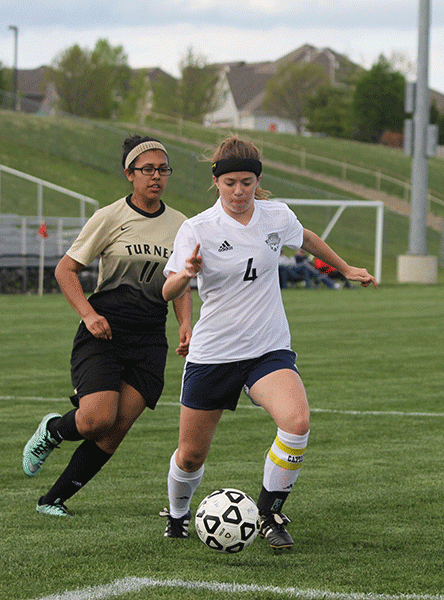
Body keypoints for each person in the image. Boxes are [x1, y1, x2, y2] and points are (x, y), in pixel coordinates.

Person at [161, 135, 377, 548]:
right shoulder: (198, 228)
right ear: (216, 182)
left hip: (267, 348)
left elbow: (306, 237)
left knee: (296, 422)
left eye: (246, 182)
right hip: (215, 353)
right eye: (230, 183)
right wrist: (186, 273)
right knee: (190, 455)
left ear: (257, 181)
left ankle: (268, 512)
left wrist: (345, 268)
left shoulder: (275, 216)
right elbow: (167, 291)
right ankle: (176, 514)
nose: (239, 191)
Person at [22, 135, 189, 517]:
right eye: (147, 169)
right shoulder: (110, 217)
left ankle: (53, 500)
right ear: (129, 174)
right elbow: (65, 270)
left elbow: (180, 280)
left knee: (115, 431)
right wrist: (88, 314)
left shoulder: (181, 224)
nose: (156, 176)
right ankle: (53, 431)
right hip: (106, 330)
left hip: (149, 337)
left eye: (163, 169)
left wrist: (185, 323)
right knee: (98, 418)